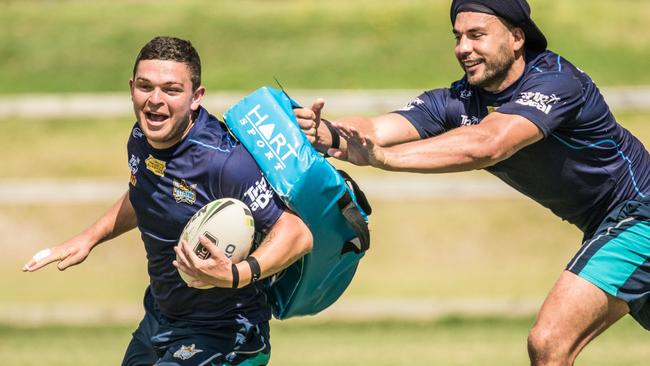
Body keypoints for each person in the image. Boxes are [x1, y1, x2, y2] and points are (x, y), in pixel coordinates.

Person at [296, 0, 650, 364]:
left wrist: (387, 159)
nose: (463, 48)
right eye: (458, 36)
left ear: (516, 37)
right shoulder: (458, 102)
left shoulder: (556, 81)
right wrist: (327, 133)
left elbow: (489, 143)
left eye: (477, 35)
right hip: (610, 226)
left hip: (640, 215)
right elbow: (376, 129)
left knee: (549, 342)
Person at [23, 36, 313, 366]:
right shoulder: (140, 138)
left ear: (195, 97)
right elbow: (145, 193)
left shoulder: (224, 162)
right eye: (145, 86)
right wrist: (88, 238)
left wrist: (237, 274)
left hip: (226, 332)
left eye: (172, 90)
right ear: (132, 87)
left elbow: (296, 232)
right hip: (160, 318)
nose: (155, 100)